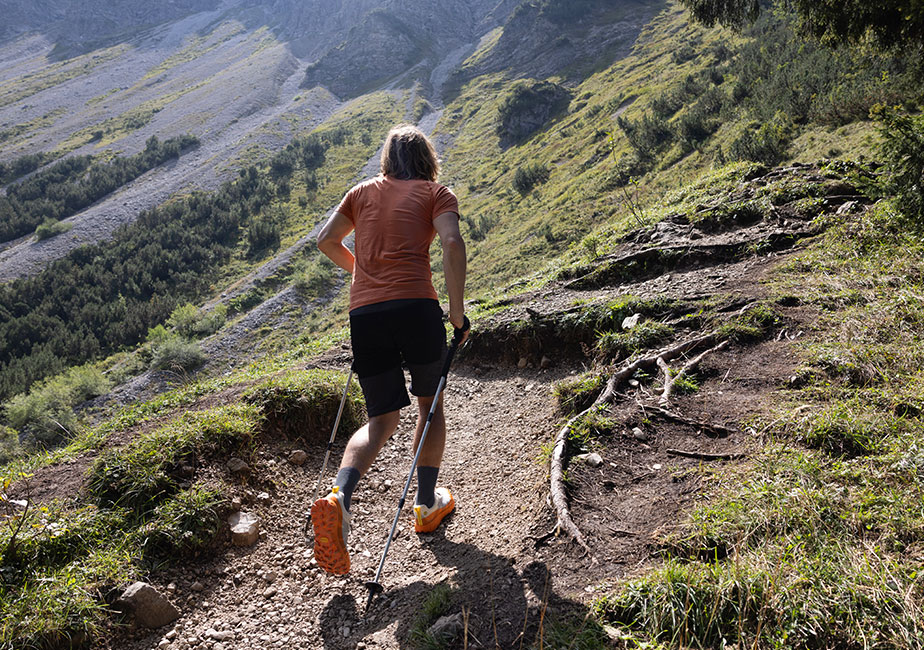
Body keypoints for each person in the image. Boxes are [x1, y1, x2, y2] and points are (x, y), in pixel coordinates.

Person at [311, 124, 468, 575]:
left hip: (366, 315)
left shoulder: (360, 193)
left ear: (386, 159)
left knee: (380, 418)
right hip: (417, 307)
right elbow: (453, 243)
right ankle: (425, 505)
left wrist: (365, 273)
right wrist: (456, 313)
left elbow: (326, 241)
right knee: (428, 408)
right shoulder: (436, 194)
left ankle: (339, 495)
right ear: (427, 159)